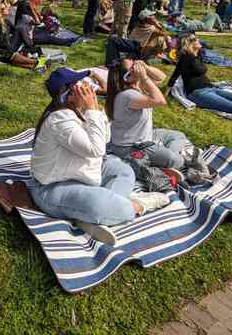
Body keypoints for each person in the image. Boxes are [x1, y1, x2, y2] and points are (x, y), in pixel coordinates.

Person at [29, 68, 170, 244]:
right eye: (81, 84)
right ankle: (136, 205)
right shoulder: (60, 119)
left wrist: (94, 111)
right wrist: (92, 110)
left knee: (124, 171)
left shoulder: (79, 110)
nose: (88, 85)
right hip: (52, 187)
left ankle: (92, 216)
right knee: (119, 209)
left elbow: (105, 138)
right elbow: (96, 149)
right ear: (70, 93)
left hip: (82, 171)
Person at [106, 58, 193, 172]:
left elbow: (162, 77)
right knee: (178, 161)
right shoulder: (128, 95)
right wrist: (144, 77)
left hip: (145, 136)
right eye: (133, 67)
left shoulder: (136, 86)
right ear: (127, 76)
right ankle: (162, 159)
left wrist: (146, 67)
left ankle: (161, 156)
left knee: (178, 136)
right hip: (131, 147)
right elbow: (160, 101)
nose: (137, 67)